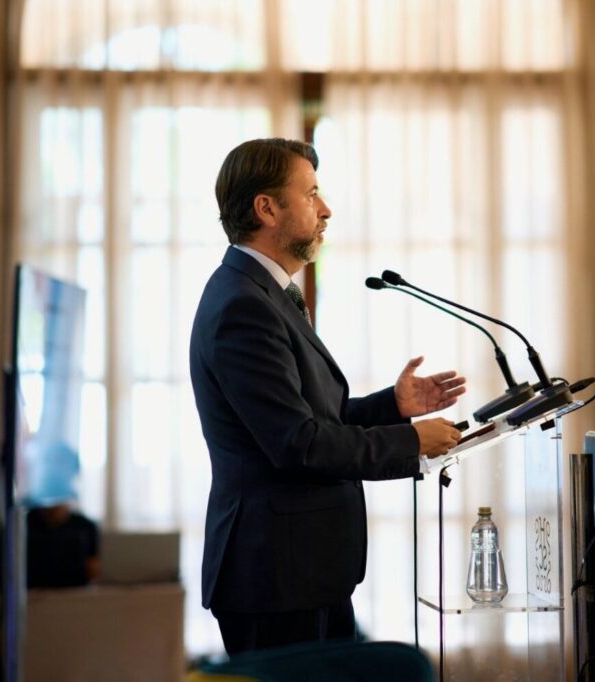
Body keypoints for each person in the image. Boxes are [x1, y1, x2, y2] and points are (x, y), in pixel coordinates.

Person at [189, 138, 466, 655]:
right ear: (267, 208)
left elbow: (315, 419)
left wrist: (393, 407)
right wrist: (409, 442)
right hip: (275, 579)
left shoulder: (265, 294)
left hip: (301, 573)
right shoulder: (243, 306)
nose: (326, 208)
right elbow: (298, 444)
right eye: (311, 193)